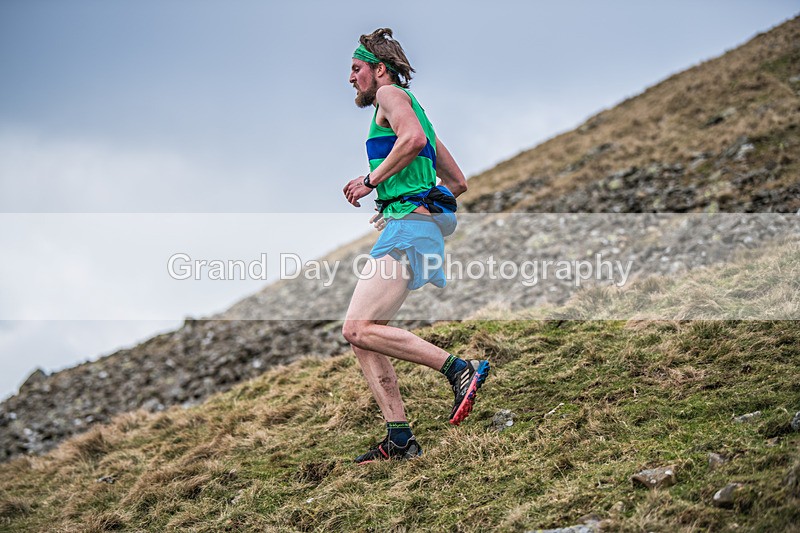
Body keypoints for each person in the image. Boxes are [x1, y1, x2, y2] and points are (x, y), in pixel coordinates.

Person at [342, 28, 490, 464]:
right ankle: (400, 438)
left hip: (409, 228)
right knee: (364, 338)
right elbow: (456, 182)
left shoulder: (390, 97)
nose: (351, 79)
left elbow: (413, 141)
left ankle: (458, 368)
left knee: (357, 327)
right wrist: (399, 201)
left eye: (356, 69)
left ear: (379, 69)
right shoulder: (418, 111)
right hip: (411, 224)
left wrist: (371, 182)